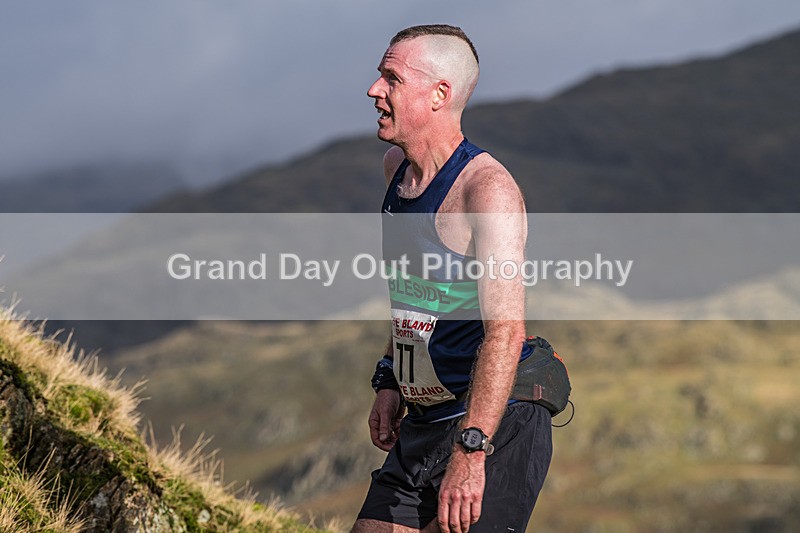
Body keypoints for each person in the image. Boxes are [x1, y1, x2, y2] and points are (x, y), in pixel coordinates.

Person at [353, 25, 552, 533]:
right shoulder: (395, 168)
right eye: (380, 77)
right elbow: (414, 293)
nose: (375, 91)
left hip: (495, 424)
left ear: (440, 94)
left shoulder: (487, 191)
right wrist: (392, 378)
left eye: (391, 79)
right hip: (425, 418)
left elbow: (507, 331)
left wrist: (472, 448)